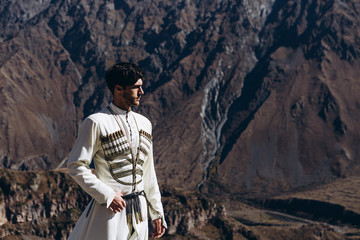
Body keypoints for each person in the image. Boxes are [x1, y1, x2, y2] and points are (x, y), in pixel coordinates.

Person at [67, 62, 167, 240]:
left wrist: (157, 212)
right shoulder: (96, 122)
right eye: (136, 88)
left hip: (141, 211)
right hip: (109, 213)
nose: (141, 93)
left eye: (141, 87)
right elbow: (76, 165)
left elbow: (148, 172)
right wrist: (107, 195)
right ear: (118, 89)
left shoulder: (145, 123)